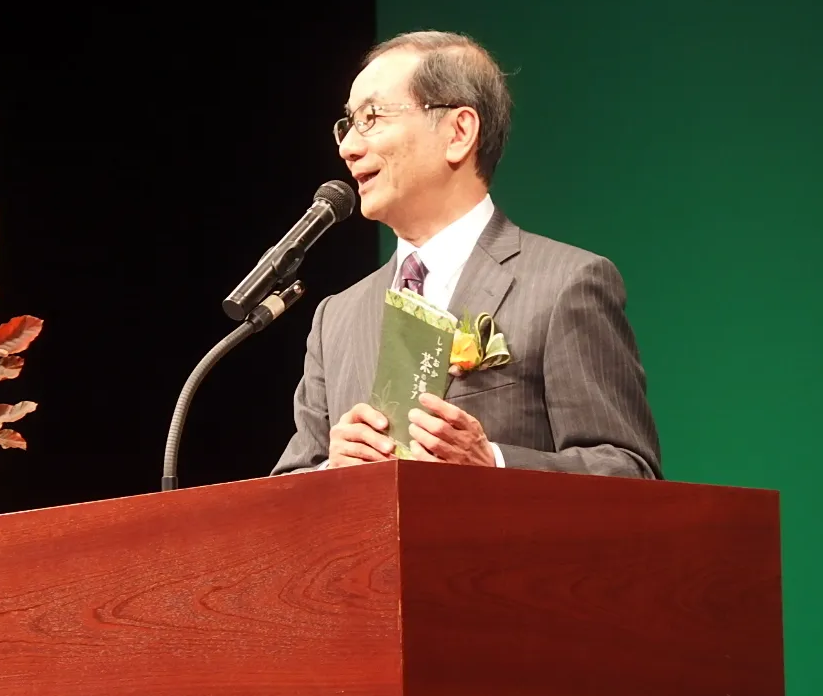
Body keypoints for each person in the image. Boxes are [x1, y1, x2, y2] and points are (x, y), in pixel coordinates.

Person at [272, 31, 661, 478]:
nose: (348, 148)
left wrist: (492, 462)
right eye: (348, 124)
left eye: (372, 118)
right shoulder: (335, 319)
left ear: (459, 132)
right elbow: (287, 489)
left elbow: (630, 472)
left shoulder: (565, 284)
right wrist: (330, 471)